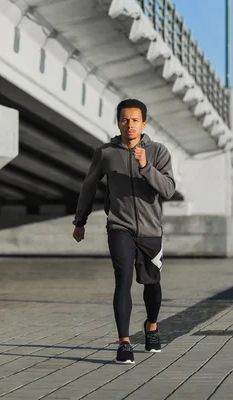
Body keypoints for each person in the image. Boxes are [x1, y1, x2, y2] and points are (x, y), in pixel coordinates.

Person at [72, 99, 176, 364]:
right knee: (123, 280)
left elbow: (168, 189)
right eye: (124, 120)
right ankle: (124, 342)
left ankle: (151, 326)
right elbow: (89, 186)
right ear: (118, 122)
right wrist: (79, 221)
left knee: (152, 283)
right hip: (119, 226)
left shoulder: (158, 151)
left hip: (151, 230)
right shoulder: (106, 152)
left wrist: (145, 167)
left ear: (143, 123)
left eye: (134, 120)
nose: (129, 125)